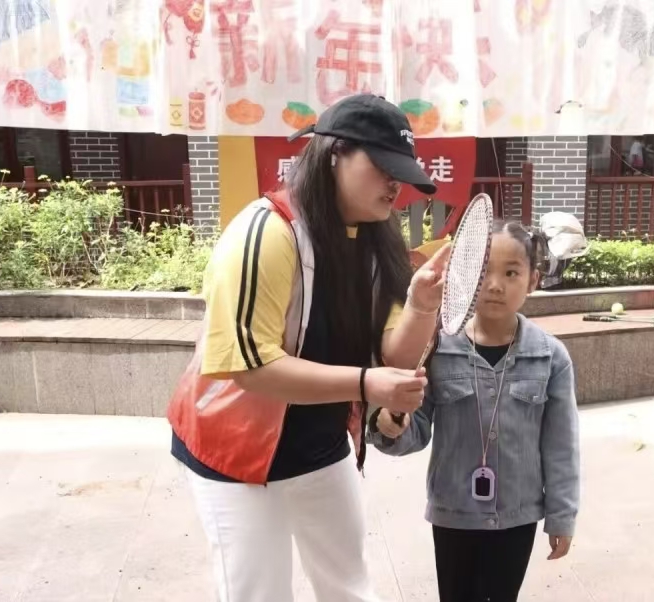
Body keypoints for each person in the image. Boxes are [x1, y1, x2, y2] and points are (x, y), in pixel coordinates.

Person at [166, 93, 451, 602]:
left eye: (401, 172)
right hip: (234, 453)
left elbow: (394, 357)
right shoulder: (265, 232)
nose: (395, 184)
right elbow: (250, 367)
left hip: (320, 443)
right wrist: (364, 384)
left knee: (349, 588)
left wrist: (421, 306)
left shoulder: (376, 241)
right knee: (259, 594)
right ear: (335, 152)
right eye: (383, 167)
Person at [368, 219, 581, 602]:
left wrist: (561, 516)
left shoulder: (551, 357)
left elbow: (561, 446)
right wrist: (391, 426)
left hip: (517, 516)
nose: (495, 284)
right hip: (453, 514)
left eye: (511, 272)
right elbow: (416, 429)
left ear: (533, 280)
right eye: (483, 271)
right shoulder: (438, 348)